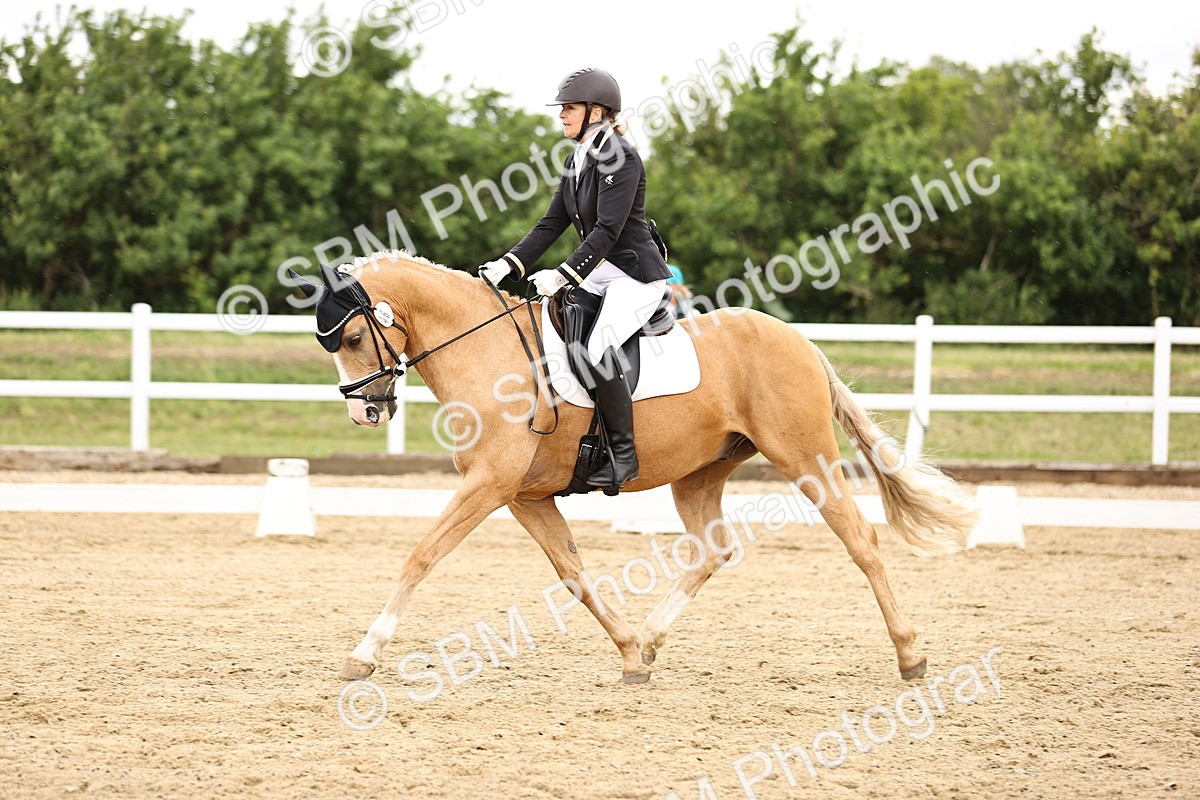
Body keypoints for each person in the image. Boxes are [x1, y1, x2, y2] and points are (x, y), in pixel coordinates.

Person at [478, 67, 671, 490]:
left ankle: (623, 455)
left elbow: (607, 229)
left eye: (569, 108)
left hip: (635, 276)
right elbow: (551, 223)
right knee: (553, 331)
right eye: (562, 108)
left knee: (596, 346)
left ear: (596, 112)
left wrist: (565, 273)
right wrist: (508, 264)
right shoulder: (576, 159)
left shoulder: (621, 156)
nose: (562, 115)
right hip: (601, 273)